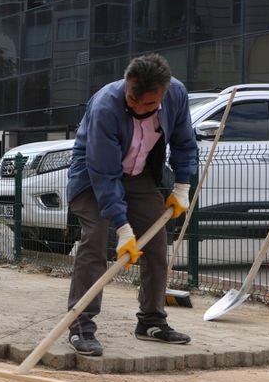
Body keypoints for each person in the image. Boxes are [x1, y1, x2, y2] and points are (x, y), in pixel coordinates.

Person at [65, 53, 198, 356]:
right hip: (92, 176)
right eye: (132, 101)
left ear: (162, 93)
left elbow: (183, 141)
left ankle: (151, 321)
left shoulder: (176, 94)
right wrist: (123, 228)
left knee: (155, 240)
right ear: (127, 84)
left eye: (148, 105)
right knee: (96, 239)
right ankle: (80, 325)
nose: (137, 109)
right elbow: (104, 174)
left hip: (138, 176)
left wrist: (181, 186)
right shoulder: (105, 107)